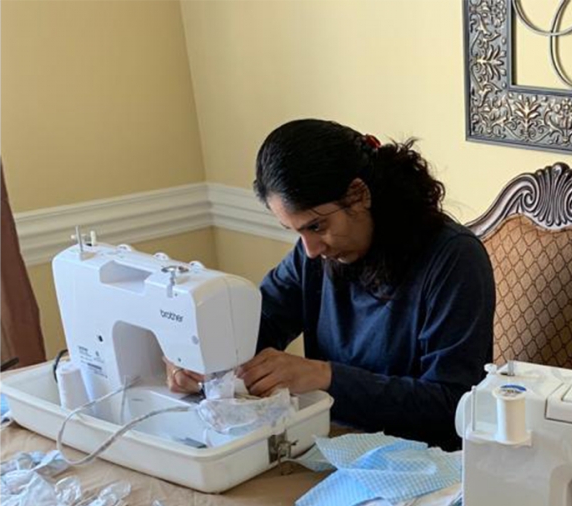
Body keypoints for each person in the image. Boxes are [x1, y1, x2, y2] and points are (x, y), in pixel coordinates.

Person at [167, 119, 495, 450]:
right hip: (333, 446)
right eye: (296, 232)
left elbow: (450, 404)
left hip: (428, 462)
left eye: (317, 226)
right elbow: (256, 327)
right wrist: (197, 356)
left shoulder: (453, 259)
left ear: (358, 194)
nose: (311, 249)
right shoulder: (314, 257)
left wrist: (326, 377)